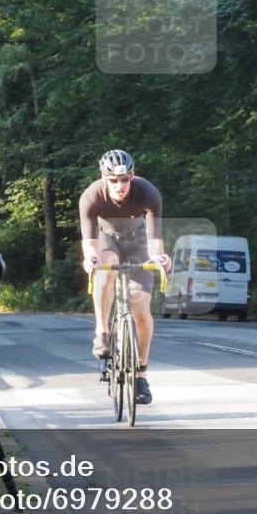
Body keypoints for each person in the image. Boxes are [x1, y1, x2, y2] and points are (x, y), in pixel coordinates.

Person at [79, 149, 170, 405]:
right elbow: (90, 244)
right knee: (105, 265)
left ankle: (141, 373)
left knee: (140, 304)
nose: (120, 186)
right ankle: (102, 330)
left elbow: (154, 241)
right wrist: (90, 259)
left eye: (125, 180)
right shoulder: (91, 196)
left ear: (133, 176)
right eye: (113, 181)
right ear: (103, 178)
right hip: (107, 240)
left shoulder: (148, 193)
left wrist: (160, 258)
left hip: (138, 241)